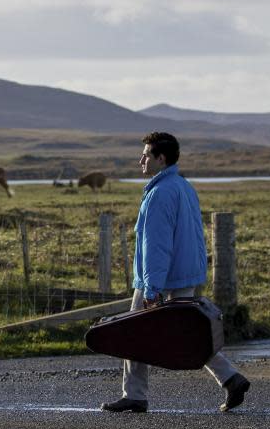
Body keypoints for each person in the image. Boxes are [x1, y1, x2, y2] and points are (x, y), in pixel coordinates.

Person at [101, 132, 250, 413]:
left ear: (161, 158)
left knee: (134, 333)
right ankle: (231, 378)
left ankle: (134, 394)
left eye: (146, 154)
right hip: (184, 274)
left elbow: (156, 244)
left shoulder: (159, 193)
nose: (141, 160)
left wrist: (152, 288)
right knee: (186, 333)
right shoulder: (182, 186)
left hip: (161, 279)